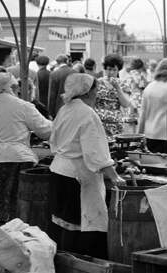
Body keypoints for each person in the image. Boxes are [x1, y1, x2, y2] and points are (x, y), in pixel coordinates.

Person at [48, 73, 126, 258]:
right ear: (88, 92)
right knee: (82, 226)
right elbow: (96, 152)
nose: (97, 94)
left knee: (63, 224)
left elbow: (53, 140)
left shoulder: (65, 109)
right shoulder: (87, 114)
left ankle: (64, 263)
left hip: (59, 171)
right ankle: (81, 265)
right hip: (77, 176)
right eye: (96, 90)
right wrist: (115, 177)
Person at [0, 72, 52, 226]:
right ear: (14, 87)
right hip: (18, 159)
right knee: (18, 214)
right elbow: (45, 131)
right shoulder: (23, 106)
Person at [138, 59, 167, 153]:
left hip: (149, 133)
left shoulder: (149, 87)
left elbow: (143, 115)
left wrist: (139, 135)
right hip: (166, 134)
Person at [95, 54, 131, 138]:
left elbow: (125, 104)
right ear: (105, 69)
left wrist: (117, 88)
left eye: (114, 70)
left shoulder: (123, 84)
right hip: (99, 123)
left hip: (116, 124)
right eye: (109, 69)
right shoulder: (97, 83)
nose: (111, 72)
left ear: (118, 70)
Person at [48, 54, 76, 119]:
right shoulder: (75, 72)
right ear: (67, 61)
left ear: (57, 62)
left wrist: (50, 112)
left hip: (59, 108)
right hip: (73, 106)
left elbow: (52, 94)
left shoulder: (54, 74)